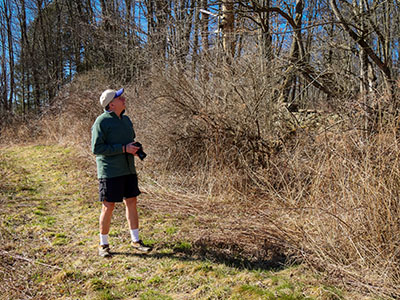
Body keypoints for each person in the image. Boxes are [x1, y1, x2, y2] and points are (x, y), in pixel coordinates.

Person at [91, 88, 151, 257]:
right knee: (108, 205)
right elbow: (96, 148)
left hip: (128, 169)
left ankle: (136, 241)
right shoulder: (101, 122)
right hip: (109, 171)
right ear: (111, 104)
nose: (124, 99)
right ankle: (103, 245)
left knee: (131, 201)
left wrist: (134, 147)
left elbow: (128, 139)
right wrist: (123, 148)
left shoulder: (126, 120)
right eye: (119, 98)